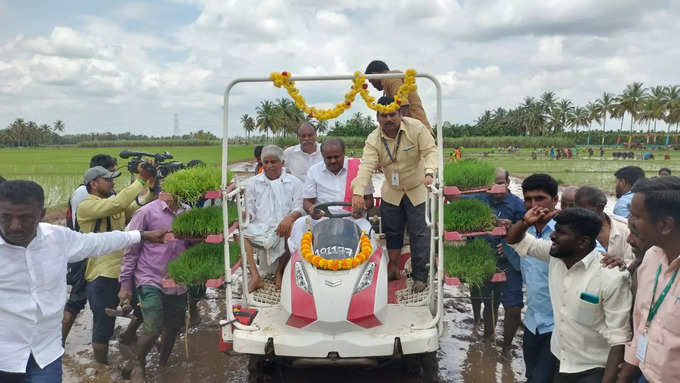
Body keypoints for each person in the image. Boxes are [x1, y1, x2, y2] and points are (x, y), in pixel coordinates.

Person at [0, 180, 166, 382]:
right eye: (6, 217)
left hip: (45, 354)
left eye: (25, 218)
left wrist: (141, 235)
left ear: (41, 214)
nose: (15, 226)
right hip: (4, 358)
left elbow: (98, 242)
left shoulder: (57, 238)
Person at [508, 208, 632, 383]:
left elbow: (619, 339)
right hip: (561, 360)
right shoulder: (554, 256)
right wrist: (525, 222)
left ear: (583, 241)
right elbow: (514, 240)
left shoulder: (611, 276)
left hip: (593, 369)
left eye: (561, 232)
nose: (552, 236)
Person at [350, 96, 437, 293]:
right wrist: (358, 192)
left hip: (418, 188)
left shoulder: (416, 128)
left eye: (392, 114)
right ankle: (394, 268)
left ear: (400, 114)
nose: (388, 119)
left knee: (420, 234)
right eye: (384, 115)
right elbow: (366, 167)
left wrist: (430, 172)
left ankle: (420, 278)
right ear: (377, 117)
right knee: (392, 232)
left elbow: (431, 151)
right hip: (392, 191)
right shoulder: (373, 139)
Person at [77, 164, 156, 364]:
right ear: (93, 184)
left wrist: (153, 188)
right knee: (103, 327)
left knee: (145, 310)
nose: (112, 182)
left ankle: (127, 337)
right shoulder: (86, 206)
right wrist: (140, 180)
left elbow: (138, 207)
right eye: (108, 179)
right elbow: (118, 205)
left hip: (125, 272)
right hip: (101, 274)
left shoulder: (113, 203)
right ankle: (101, 368)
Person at [118, 193, 192, 381]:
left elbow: (190, 246)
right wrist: (125, 284)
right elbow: (131, 249)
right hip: (149, 277)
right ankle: (138, 363)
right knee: (152, 328)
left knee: (174, 327)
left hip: (178, 280)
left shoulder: (188, 211)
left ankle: (163, 367)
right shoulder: (146, 212)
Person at [616, 176, 680, 383]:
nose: (629, 221)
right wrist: (627, 371)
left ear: (664, 225)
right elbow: (642, 318)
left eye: (635, 215)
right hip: (645, 373)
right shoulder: (651, 257)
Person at [505, 173, 559, 382]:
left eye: (540, 198)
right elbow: (512, 240)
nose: (533, 204)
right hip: (532, 323)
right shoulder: (525, 235)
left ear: (555, 200)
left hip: (557, 327)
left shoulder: (565, 234)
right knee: (531, 376)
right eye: (528, 199)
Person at [62, 154, 119, 346]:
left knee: (97, 302)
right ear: (96, 181)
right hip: (82, 252)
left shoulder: (102, 193)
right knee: (76, 301)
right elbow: (105, 211)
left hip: (92, 251)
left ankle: (100, 337)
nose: (113, 180)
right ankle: (57, 344)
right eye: (110, 175)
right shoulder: (83, 194)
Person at [467, 168, 525, 346]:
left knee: (510, 305)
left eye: (500, 182)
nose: (496, 187)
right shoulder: (479, 199)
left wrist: (508, 242)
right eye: (492, 183)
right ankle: (486, 338)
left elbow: (526, 232)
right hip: (481, 259)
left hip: (506, 262)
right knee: (488, 302)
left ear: (508, 183)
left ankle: (505, 347)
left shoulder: (517, 205)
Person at [288, 138, 374, 255]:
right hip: (323, 218)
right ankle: (300, 262)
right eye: (328, 158)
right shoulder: (314, 171)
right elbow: (307, 202)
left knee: (368, 231)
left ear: (344, 154)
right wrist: (312, 210)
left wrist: (361, 208)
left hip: (352, 218)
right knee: (299, 224)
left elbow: (370, 201)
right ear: (322, 156)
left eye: (337, 157)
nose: (333, 161)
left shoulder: (359, 169)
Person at [243, 145, 304, 292]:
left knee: (293, 228)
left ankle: (280, 272)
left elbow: (300, 207)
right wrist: (246, 215)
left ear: (282, 163)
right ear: (262, 163)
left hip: (283, 226)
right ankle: (255, 276)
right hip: (260, 226)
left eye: (274, 162)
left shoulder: (294, 182)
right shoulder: (253, 183)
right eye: (266, 162)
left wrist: (289, 218)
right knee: (239, 234)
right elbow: (249, 207)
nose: (269, 166)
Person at [365, 60, 433, 134]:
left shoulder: (390, 77)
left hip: (416, 133)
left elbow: (403, 106)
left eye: (371, 81)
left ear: (374, 74)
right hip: (419, 130)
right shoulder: (391, 79)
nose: (373, 86)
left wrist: (401, 134)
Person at [575, 186, 635, 265]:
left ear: (601, 207)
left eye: (583, 210)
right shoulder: (573, 229)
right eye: (576, 209)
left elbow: (634, 261)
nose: (578, 214)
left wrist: (622, 264)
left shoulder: (625, 229)